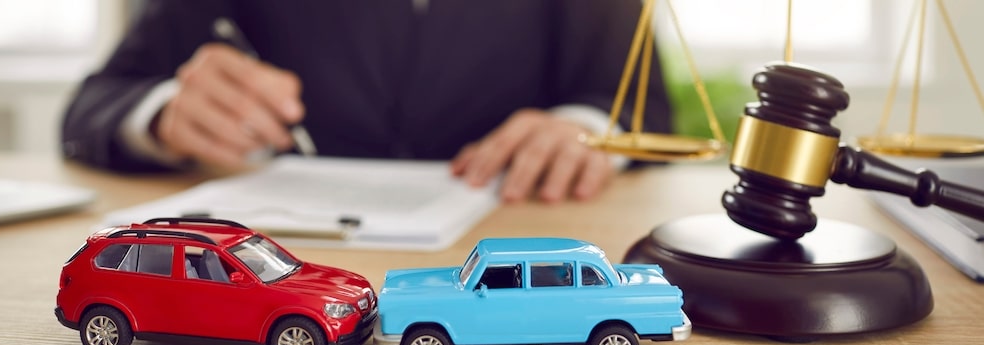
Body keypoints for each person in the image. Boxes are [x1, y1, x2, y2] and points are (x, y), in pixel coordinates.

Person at [61, 0, 671, 203]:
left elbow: (641, 110)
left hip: (514, 247)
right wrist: (167, 115)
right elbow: (97, 103)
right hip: (287, 262)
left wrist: (583, 129)